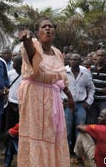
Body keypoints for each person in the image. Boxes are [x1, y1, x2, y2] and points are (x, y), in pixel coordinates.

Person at [17, 17, 75, 167]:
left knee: (52, 135)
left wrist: (69, 96)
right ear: (37, 33)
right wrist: (26, 40)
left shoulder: (57, 53)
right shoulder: (34, 46)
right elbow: (30, 53)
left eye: (50, 26)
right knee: (37, 135)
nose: (48, 28)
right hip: (34, 97)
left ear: (54, 32)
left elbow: (61, 79)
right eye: (44, 27)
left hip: (53, 98)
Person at [62, 53, 95, 152]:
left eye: (75, 60)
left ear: (80, 61)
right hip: (67, 105)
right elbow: (58, 87)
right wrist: (60, 101)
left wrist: (89, 101)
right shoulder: (63, 71)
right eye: (71, 59)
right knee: (67, 131)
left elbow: (91, 88)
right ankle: (66, 153)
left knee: (80, 130)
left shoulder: (85, 72)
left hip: (81, 105)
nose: (73, 61)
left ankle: (79, 154)